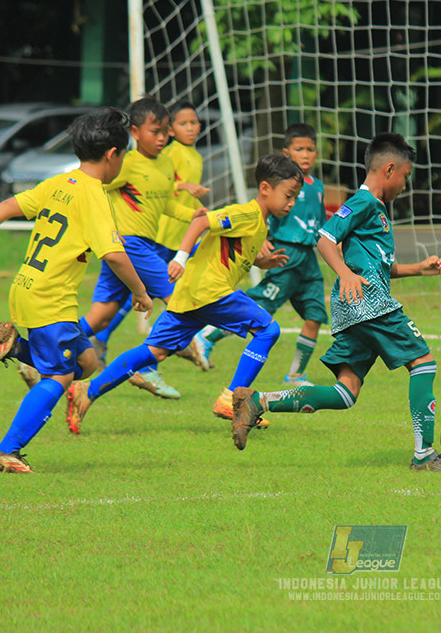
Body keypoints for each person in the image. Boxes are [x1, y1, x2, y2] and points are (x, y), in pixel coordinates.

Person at [228, 133, 441, 474]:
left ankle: (257, 401)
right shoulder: (364, 202)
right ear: (389, 169)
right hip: (369, 304)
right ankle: (424, 455)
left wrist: (418, 268)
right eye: (405, 175)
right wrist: (345, 273)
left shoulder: (376, 210)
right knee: (423, 363)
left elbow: (379, 267)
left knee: (346, 393)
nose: (405, 184)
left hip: (354, 307)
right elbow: (326, 238)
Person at [0, 107, 153, 473]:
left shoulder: (59, 183)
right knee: (59, 377)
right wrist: (142, 292)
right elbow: (114, 255)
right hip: (50, 299)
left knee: (87, 363)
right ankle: (6, 451)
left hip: (28, 287)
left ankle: (15, 347)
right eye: (124, 155)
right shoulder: (95, 196)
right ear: (113, 154)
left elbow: (9, 205)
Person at [65, 153, 304, 434]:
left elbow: (229, 253)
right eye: (288, 195)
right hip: (210, 291)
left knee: (153, 352)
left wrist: (261, 262)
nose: (291, 203)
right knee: (268, 330)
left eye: (294, 197)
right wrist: (179, 258)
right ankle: (233, 400)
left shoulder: (260, 223)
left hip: (192, 295)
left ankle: (88, 390)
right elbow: (201, 223)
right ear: (265, 188)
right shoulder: (246, 213)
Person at [76, 97, 205, 400]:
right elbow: (92, 186)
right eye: (154, 131)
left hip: (134, 246)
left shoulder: (166, 163)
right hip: (130, 244)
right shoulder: (127, 164)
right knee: (180, 298)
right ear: (134, 132)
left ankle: (39, 350)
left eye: (164, 131)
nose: (161, 138)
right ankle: (147, 366)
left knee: (101, 317)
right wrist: (95, 228)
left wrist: (194, 216)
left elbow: (165, 203)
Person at [197, 122, 328, 386]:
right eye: (299, 149)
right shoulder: (283, 187)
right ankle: (206, 336)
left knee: (315, 316)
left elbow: (320, 223)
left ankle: (295, 374)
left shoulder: (318, 187)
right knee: (261, 307)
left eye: (310, 149)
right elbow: (265, 214)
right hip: (285, 254)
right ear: (286, 153)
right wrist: (265, 239)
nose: (305, 155)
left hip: (309, 260)